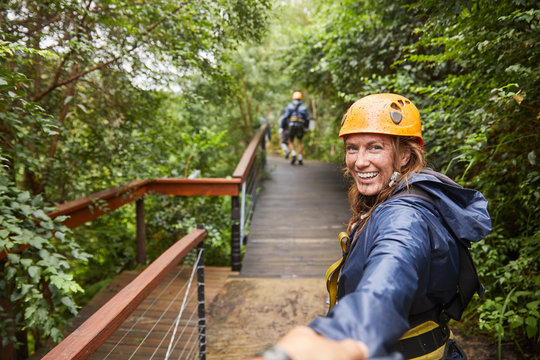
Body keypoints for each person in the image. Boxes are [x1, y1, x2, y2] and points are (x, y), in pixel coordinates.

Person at [252, 93, 491, 360]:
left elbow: (391, 272)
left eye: (375, 147)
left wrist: (344, 336)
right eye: (352, 148)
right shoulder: (404, 193)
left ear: (403, 156)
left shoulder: (404, 216)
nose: (359, 161)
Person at [280, 91, 310, 165]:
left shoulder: (290, 106)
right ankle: (300, 158)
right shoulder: (303, 107)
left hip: (291, 125)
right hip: (300, 125)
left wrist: (283, 127)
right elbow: (307, 119)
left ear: (293, 98)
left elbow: (285, 117)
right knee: (299, 141)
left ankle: (293, 154)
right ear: (300, 98)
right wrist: (306, 128)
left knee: (290, 140)